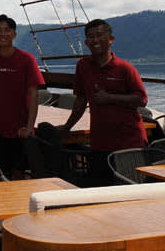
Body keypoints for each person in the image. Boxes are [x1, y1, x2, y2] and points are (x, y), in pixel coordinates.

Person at [59, 19, 148, 185]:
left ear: (111, 39)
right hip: (99, 142)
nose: (95, 40)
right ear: (86, 42)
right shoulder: (83, 66)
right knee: (99, 189)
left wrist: (109, 98)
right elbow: (80, 101)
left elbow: (141, 99)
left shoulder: (125, 68)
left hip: (129, 143)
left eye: (99, 35)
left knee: (130, 190)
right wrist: (67, 127)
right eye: (90, 36)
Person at [0, 14, 45, 179]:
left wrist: (29, 127)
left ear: (14, 34)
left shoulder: (26, 59)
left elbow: (33, 95)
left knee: (17, 174)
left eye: (7, 30)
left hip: (19, 129)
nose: (3, 34)